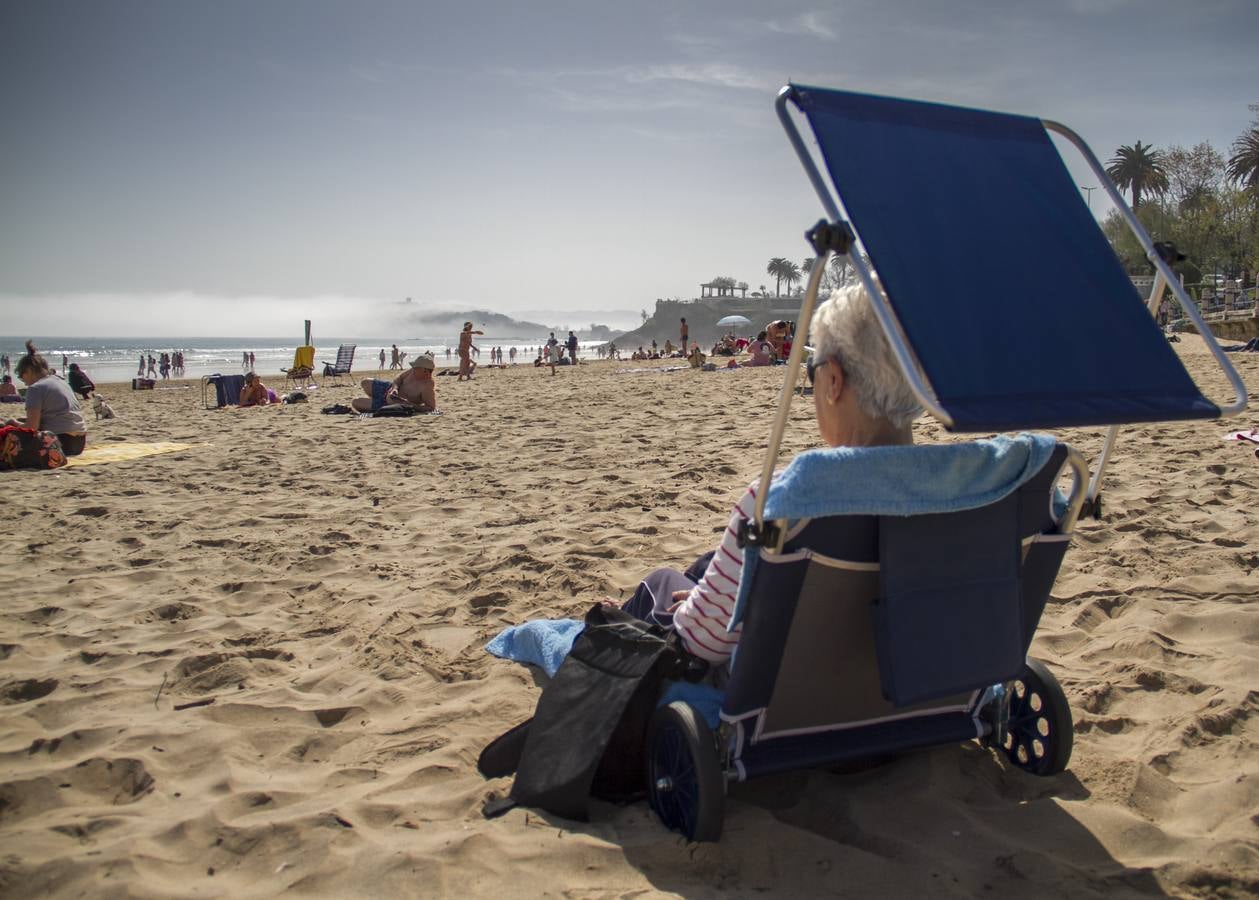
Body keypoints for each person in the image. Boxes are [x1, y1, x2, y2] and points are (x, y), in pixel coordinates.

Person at [622, 283, 921, 664]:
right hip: (917, 684)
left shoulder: (781, 498)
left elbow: (706, 643)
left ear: (833, 381)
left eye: (813, 372)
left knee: (662, 581)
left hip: (792, 688)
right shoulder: (970, 488)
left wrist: (691, 610)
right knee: (709, 563)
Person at [13, 340, 88, 455]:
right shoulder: (60, 381)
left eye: (22, 378)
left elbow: (32, 427)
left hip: (59, 442)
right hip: (79, 442)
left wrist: (12, 422)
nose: (24, 383)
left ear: (29, 371)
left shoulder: (35, 388)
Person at [352, 353, 437, 412]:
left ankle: (374, 403)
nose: (413, 369)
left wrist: (407, 404)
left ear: (425, 371)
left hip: (389, 404)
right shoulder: (413, 371)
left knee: (355, 402)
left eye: (416, 368)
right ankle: (373, 400)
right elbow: (399, 378)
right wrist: (394, 388)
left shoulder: (427, 386)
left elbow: (430, 408)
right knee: (365, 382)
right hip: (389, 388)